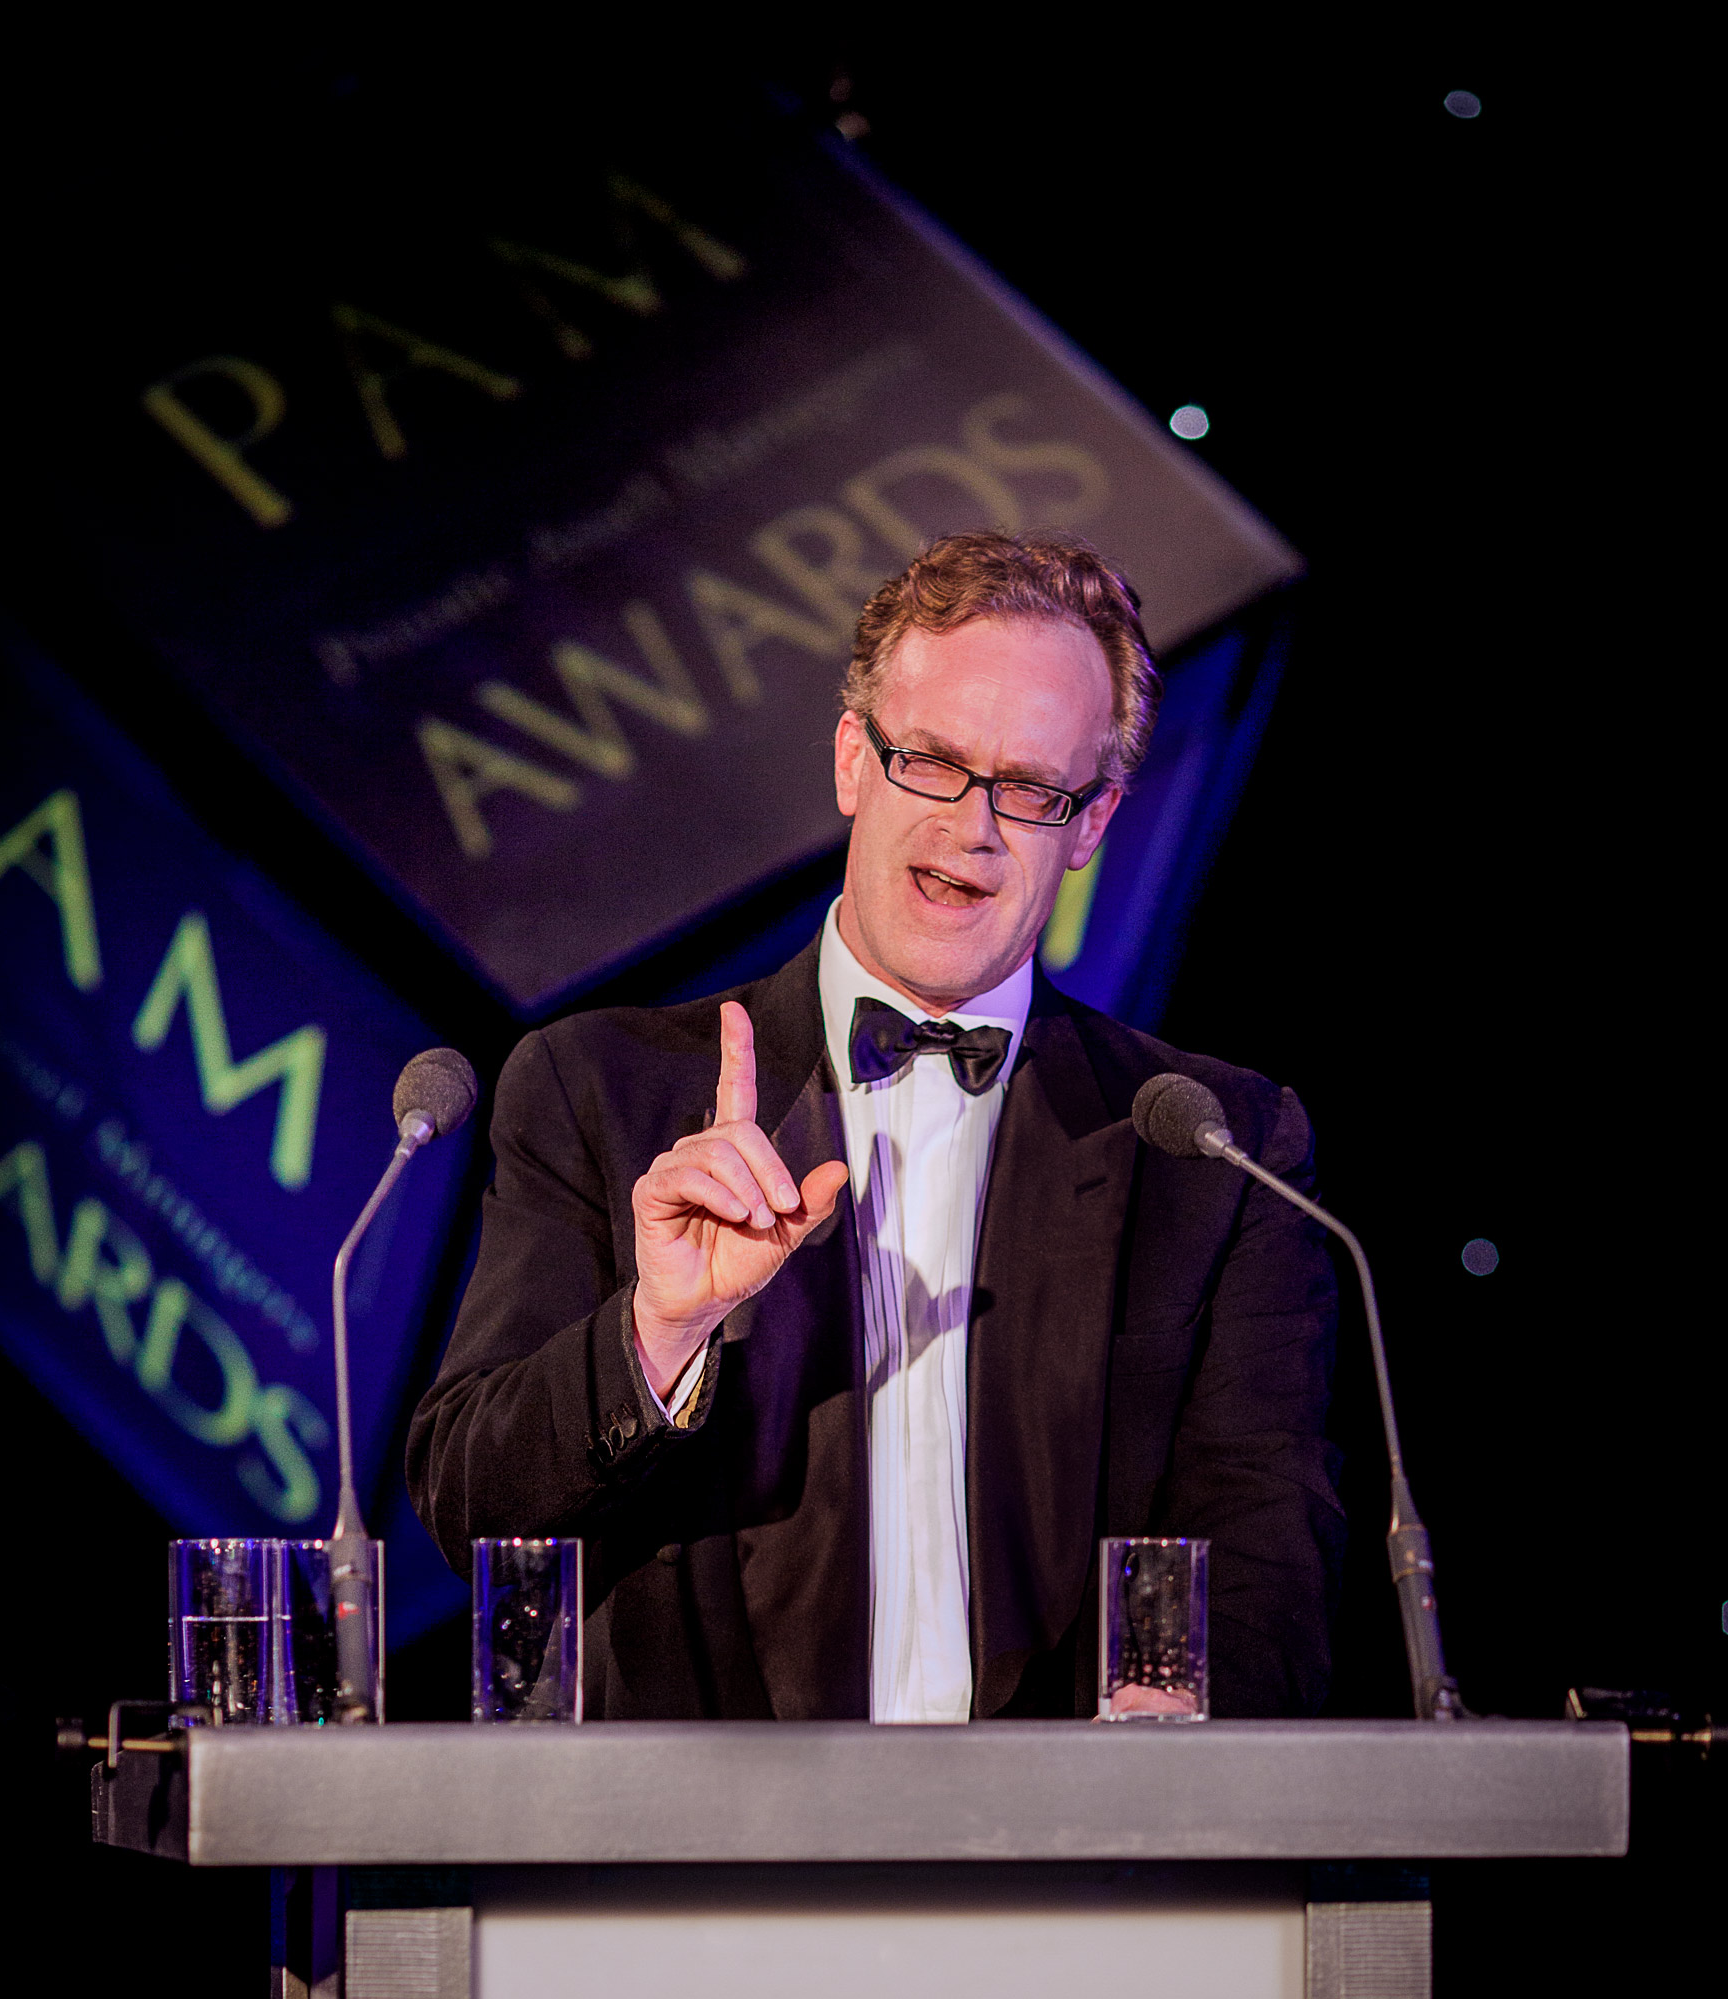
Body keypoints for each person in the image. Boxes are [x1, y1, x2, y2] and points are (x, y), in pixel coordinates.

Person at [409, 531, 1343, 1720]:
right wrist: (659, 1328)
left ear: (1092, 820)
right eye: (931, 764)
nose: (973, 827)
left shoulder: (1212, 1145)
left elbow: (1270, 1538)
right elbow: (469, 1510)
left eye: (1030, 789)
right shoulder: (601, 1088)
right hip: (693, 1867)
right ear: (854, 760)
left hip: (1069, 1861)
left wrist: (1179, 1712)